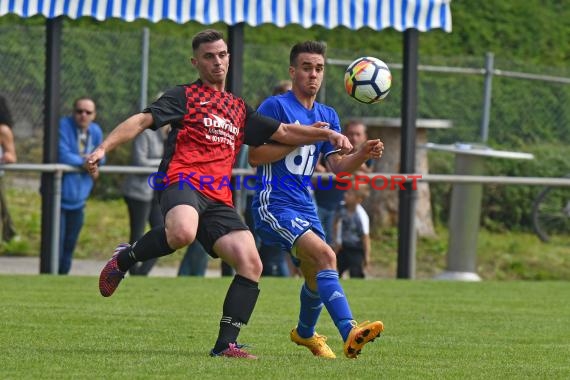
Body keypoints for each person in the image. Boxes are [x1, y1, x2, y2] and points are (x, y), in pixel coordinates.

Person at [86, 29, 352, 359]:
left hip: (218, 197)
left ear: (229, 58)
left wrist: (327, 133)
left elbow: (283, 132)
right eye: (209, 56)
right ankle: (124, 258)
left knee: (251, 262)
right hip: (181, 181)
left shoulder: (239, 108)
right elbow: (141, 121)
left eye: (222, 55)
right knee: (182, 231)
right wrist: (102, 148)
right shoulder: (183, 96)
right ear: (195, 62)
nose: (217, 62)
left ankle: (225, 344)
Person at [248, 41, 385, 359]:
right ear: (293, 71)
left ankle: (305, 334)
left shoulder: (328, 114)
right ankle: (350, 331)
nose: (313, 74)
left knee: (315, 272)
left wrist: (362, 153)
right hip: (274, 203)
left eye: (319, 68)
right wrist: (305, 136)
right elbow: (255, 156)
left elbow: (338, 169)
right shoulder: (275, 106)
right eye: (307, 67)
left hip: (304, 203)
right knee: (326, 255)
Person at [58, 97, 104, 275]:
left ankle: (62, 280)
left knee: (70, 244)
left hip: (80, 199)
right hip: (58, 200)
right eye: (79, 111)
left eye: (88, 112)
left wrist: (92, 160)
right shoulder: (63, 125)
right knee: (56, 244)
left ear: (94, 115)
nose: (83, 115)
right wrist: (86, 162)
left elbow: (103, 155)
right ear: (73, 112)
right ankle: (51, 276)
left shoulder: (96, 131)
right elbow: (62, 154)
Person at [314, 120, 373, 246]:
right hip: (321, 204)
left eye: (358, 134)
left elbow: (365, 175)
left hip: (346, 209)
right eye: (351, 134)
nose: (354, 138)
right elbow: (325, 167)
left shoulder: (366, 157)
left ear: (365, 137)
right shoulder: (333, 149)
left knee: (338, 245)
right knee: (318, 242)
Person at [122, 127, 166, 276]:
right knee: (137, 234)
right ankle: (130, 270)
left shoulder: (168, 137)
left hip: (156, 192)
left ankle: (141, 274)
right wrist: (165, 163)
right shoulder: (146, 134)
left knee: (164, 231)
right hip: (138, 192)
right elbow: (139, 161)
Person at [334, 185, 371, 279]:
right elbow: (336, 223)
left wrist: (367, 256)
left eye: (349, 194)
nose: (345, 195)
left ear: (358, 199)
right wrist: (337, 240)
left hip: (356, 249)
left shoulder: (361, 216)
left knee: (356, 273)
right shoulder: (341, 208)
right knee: (335, 270)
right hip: (343, 247)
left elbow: (365, 237)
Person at [0, 95, 18, 243]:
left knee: (2, 210)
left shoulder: (3, 130)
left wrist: (4, 157)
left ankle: (9, 235)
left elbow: (12, 156)